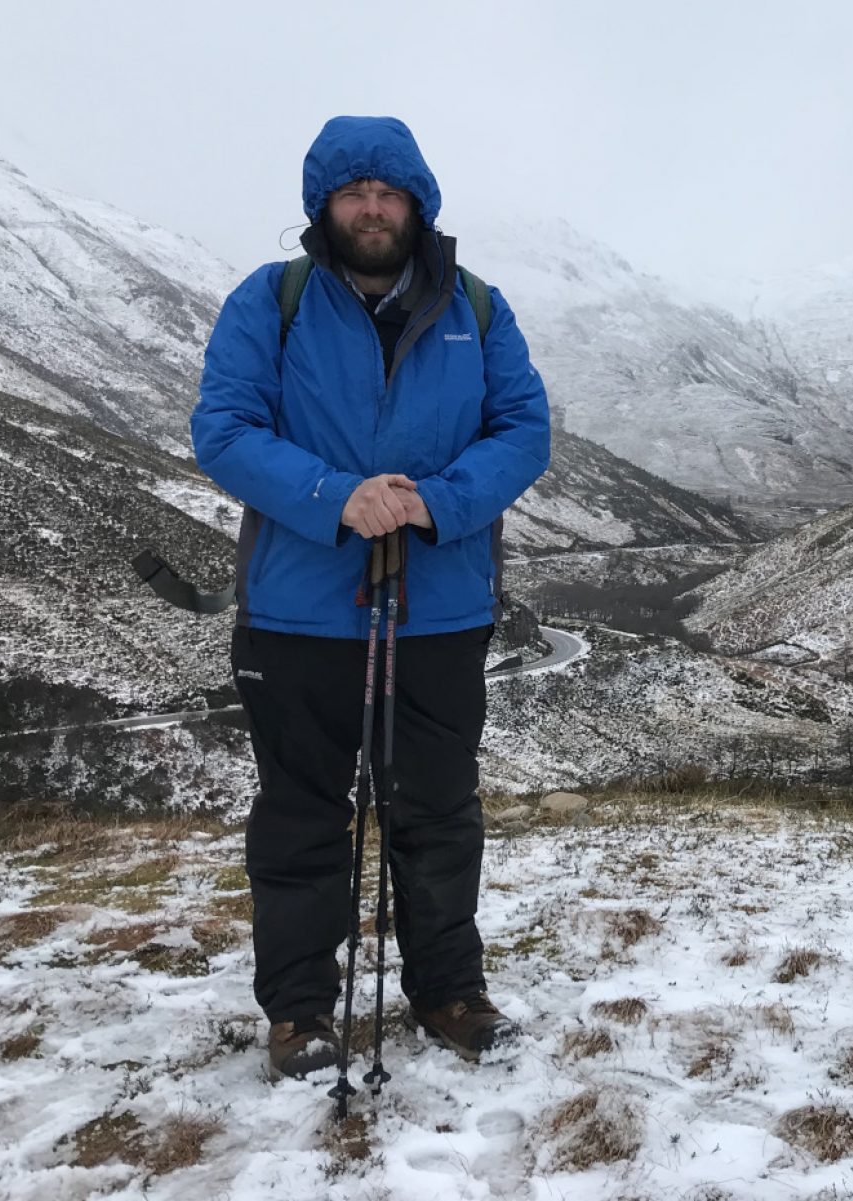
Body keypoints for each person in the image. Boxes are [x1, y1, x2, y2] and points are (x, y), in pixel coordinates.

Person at [190, 115, 550, 1080]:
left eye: (389, 193)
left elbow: (523, 429)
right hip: (299, 609)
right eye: (353, 192)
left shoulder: (480, 307)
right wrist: (336, 497)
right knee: (304, 812)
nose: (373, 207)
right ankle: (300, 1011)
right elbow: (222, 429)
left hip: (438, 608)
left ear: (419, 203)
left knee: (436, 807)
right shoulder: (270, 301)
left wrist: (436, 502)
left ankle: (450, 990)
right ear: (324, 205)